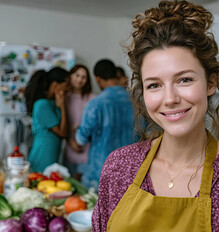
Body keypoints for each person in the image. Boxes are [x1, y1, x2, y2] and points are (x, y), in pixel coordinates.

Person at [92, 1, 219, 232]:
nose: (169, 98)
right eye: (154, 85)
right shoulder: (119, 167)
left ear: (210, 83)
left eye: (184, 80)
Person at [75, 59, 136, 190]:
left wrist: (78, 130)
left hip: (100, 172)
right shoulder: (137, 101)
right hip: (131, 172)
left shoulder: (96, 103)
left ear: (98, 79)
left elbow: (81, 139)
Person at [25, 67, 68, 172]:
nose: (68, 88)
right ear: (55, 85)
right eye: (66, 84)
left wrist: (61, 106)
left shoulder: (52, 103)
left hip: (52, 150)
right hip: (44, 152)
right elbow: (62, 132)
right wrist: (62, 107)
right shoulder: (42, 104)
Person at [63, 64, 95, 180]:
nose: (80, 80)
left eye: (84, 77)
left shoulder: (92, 98)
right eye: (77, 75)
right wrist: (69, 140)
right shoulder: (64, 97)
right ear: (70, 76)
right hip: (68, 146)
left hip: (88, 149)